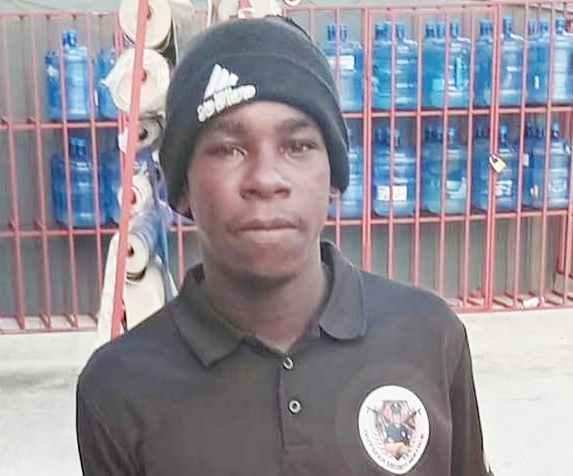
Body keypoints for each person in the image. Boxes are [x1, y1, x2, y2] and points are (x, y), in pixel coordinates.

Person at [76, 15, 493, 476]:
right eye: (228, 149)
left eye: (297, 146)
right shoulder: (119, 388)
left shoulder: (427, 335)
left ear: (334, 177)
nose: (265, 179)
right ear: (182, 188)